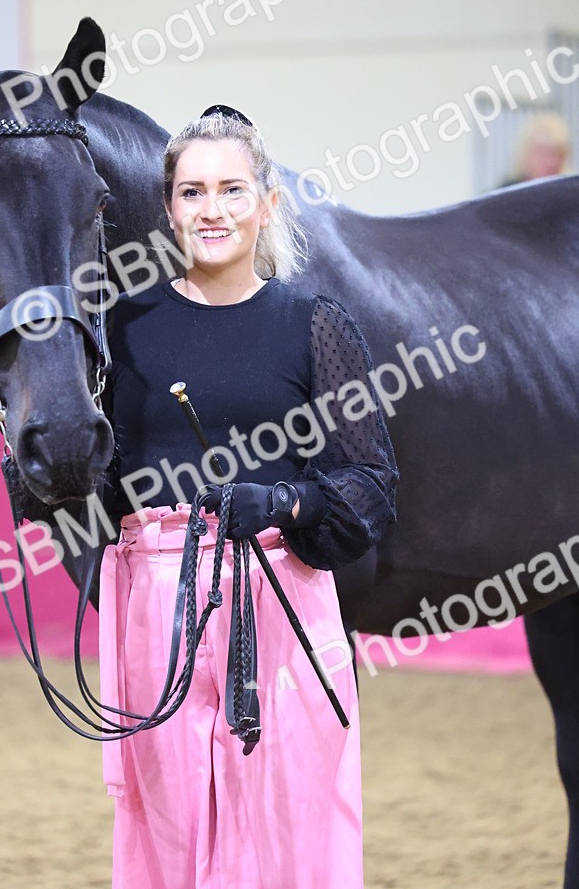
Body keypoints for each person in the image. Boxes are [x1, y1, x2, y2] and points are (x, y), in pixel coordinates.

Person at [97, 104, 399, 889]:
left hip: (279, 603)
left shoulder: (315, 324)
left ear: (267, 204)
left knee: (287, 833)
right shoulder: (122, 329)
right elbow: (105, 485)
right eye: (192, 192)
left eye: (232, 190)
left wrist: (286, 503)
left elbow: (370, 484)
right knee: (167, 834)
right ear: (169, 210)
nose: (213, 210)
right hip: (156, 610)